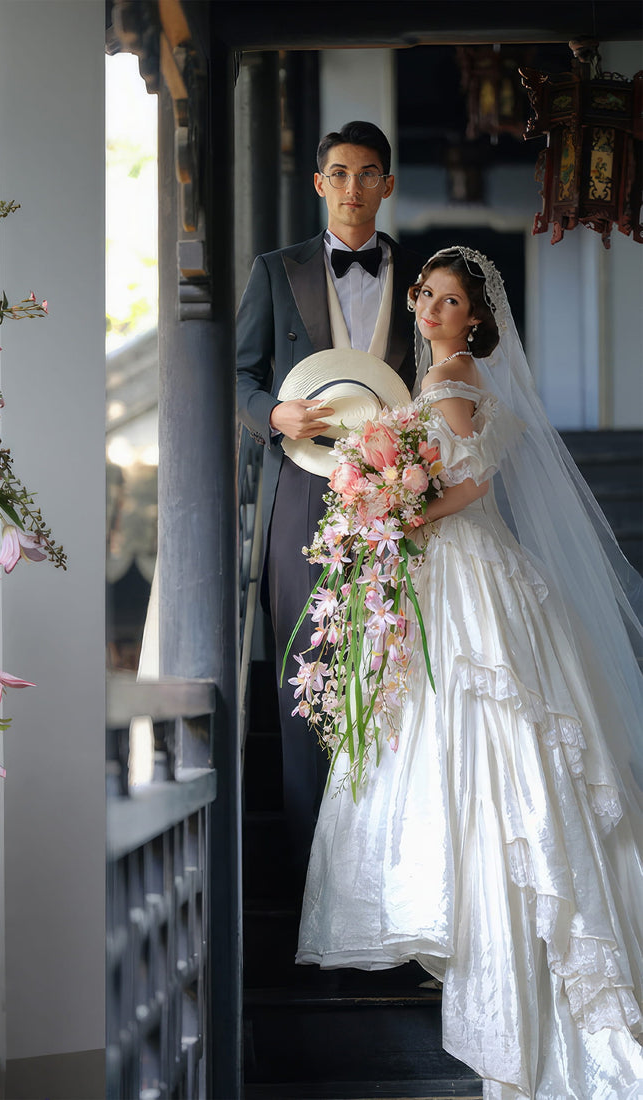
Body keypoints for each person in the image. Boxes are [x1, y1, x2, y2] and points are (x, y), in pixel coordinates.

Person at [297, 246, 643, 1097]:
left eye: (451, 302)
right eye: (428, 297)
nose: (434, 311)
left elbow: (477, 481)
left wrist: (408, 511)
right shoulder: (447, 377)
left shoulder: (452, 379)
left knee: (482, 733)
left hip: (464, 571)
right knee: (455, 738)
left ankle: (499, 932)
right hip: (449, 565)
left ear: (476, 318)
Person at [235, 120, 422, 885]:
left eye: (367, 172)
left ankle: (388, 876)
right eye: (339, 173)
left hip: (397, 500)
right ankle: (313, 879)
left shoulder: (421, 279)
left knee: (391, 675)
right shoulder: (275, 271)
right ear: (320, 185)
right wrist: (272, 416)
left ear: (386, 184)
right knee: (304, 675)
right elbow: (239, 375)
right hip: (301, 497)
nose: (353, 186)